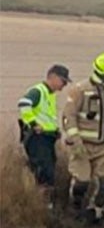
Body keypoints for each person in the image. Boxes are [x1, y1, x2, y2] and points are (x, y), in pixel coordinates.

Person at [62, 53, 104, 222]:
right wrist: (75, 141)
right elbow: (68, 117)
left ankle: (96, 213)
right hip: (81, 146)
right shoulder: (79, 90)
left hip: (103, 146)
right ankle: (74, 210)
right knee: (82, 181)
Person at [17, 64, 70, 195]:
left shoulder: (50, 94)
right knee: (44, 171)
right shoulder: (38, 91)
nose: (64, 85)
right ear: (53, 77)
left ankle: (44, 198)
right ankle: (42, 200)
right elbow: (23, 104)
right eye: (63, 81)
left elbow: (47, 117)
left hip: (47, 138)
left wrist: (55, 130)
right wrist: (33, 123)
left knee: (48, 170)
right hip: (37, 138)